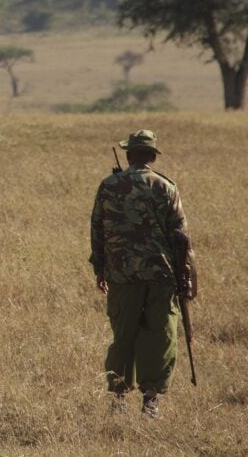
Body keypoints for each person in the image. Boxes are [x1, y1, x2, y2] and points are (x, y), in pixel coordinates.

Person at [90, 129, 189, 419]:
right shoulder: (166, 187)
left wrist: (100, 268)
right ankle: (151, 401)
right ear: (153, 156)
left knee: (123, 335)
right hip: (161, 274)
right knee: (160, 335)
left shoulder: (109, 185)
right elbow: (181, 237)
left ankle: (119, 398)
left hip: (121, 274)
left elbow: (97, 229)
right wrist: (185, 275)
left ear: (129, 155)